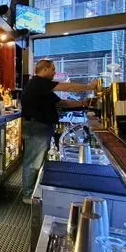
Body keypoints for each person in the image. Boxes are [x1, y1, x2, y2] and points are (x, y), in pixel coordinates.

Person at [21, 59, 98, 203]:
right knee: (34, 161)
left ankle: (34, 191)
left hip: (41, 125)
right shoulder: (38, 82)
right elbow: (68, 87)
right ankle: (28, 195)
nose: (54, 72)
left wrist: (83, 103)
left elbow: (61, 103)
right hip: (37, 126)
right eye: (53, 69)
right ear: (44, 69)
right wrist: (90, 87)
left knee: (38, 160)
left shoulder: (43, 89)